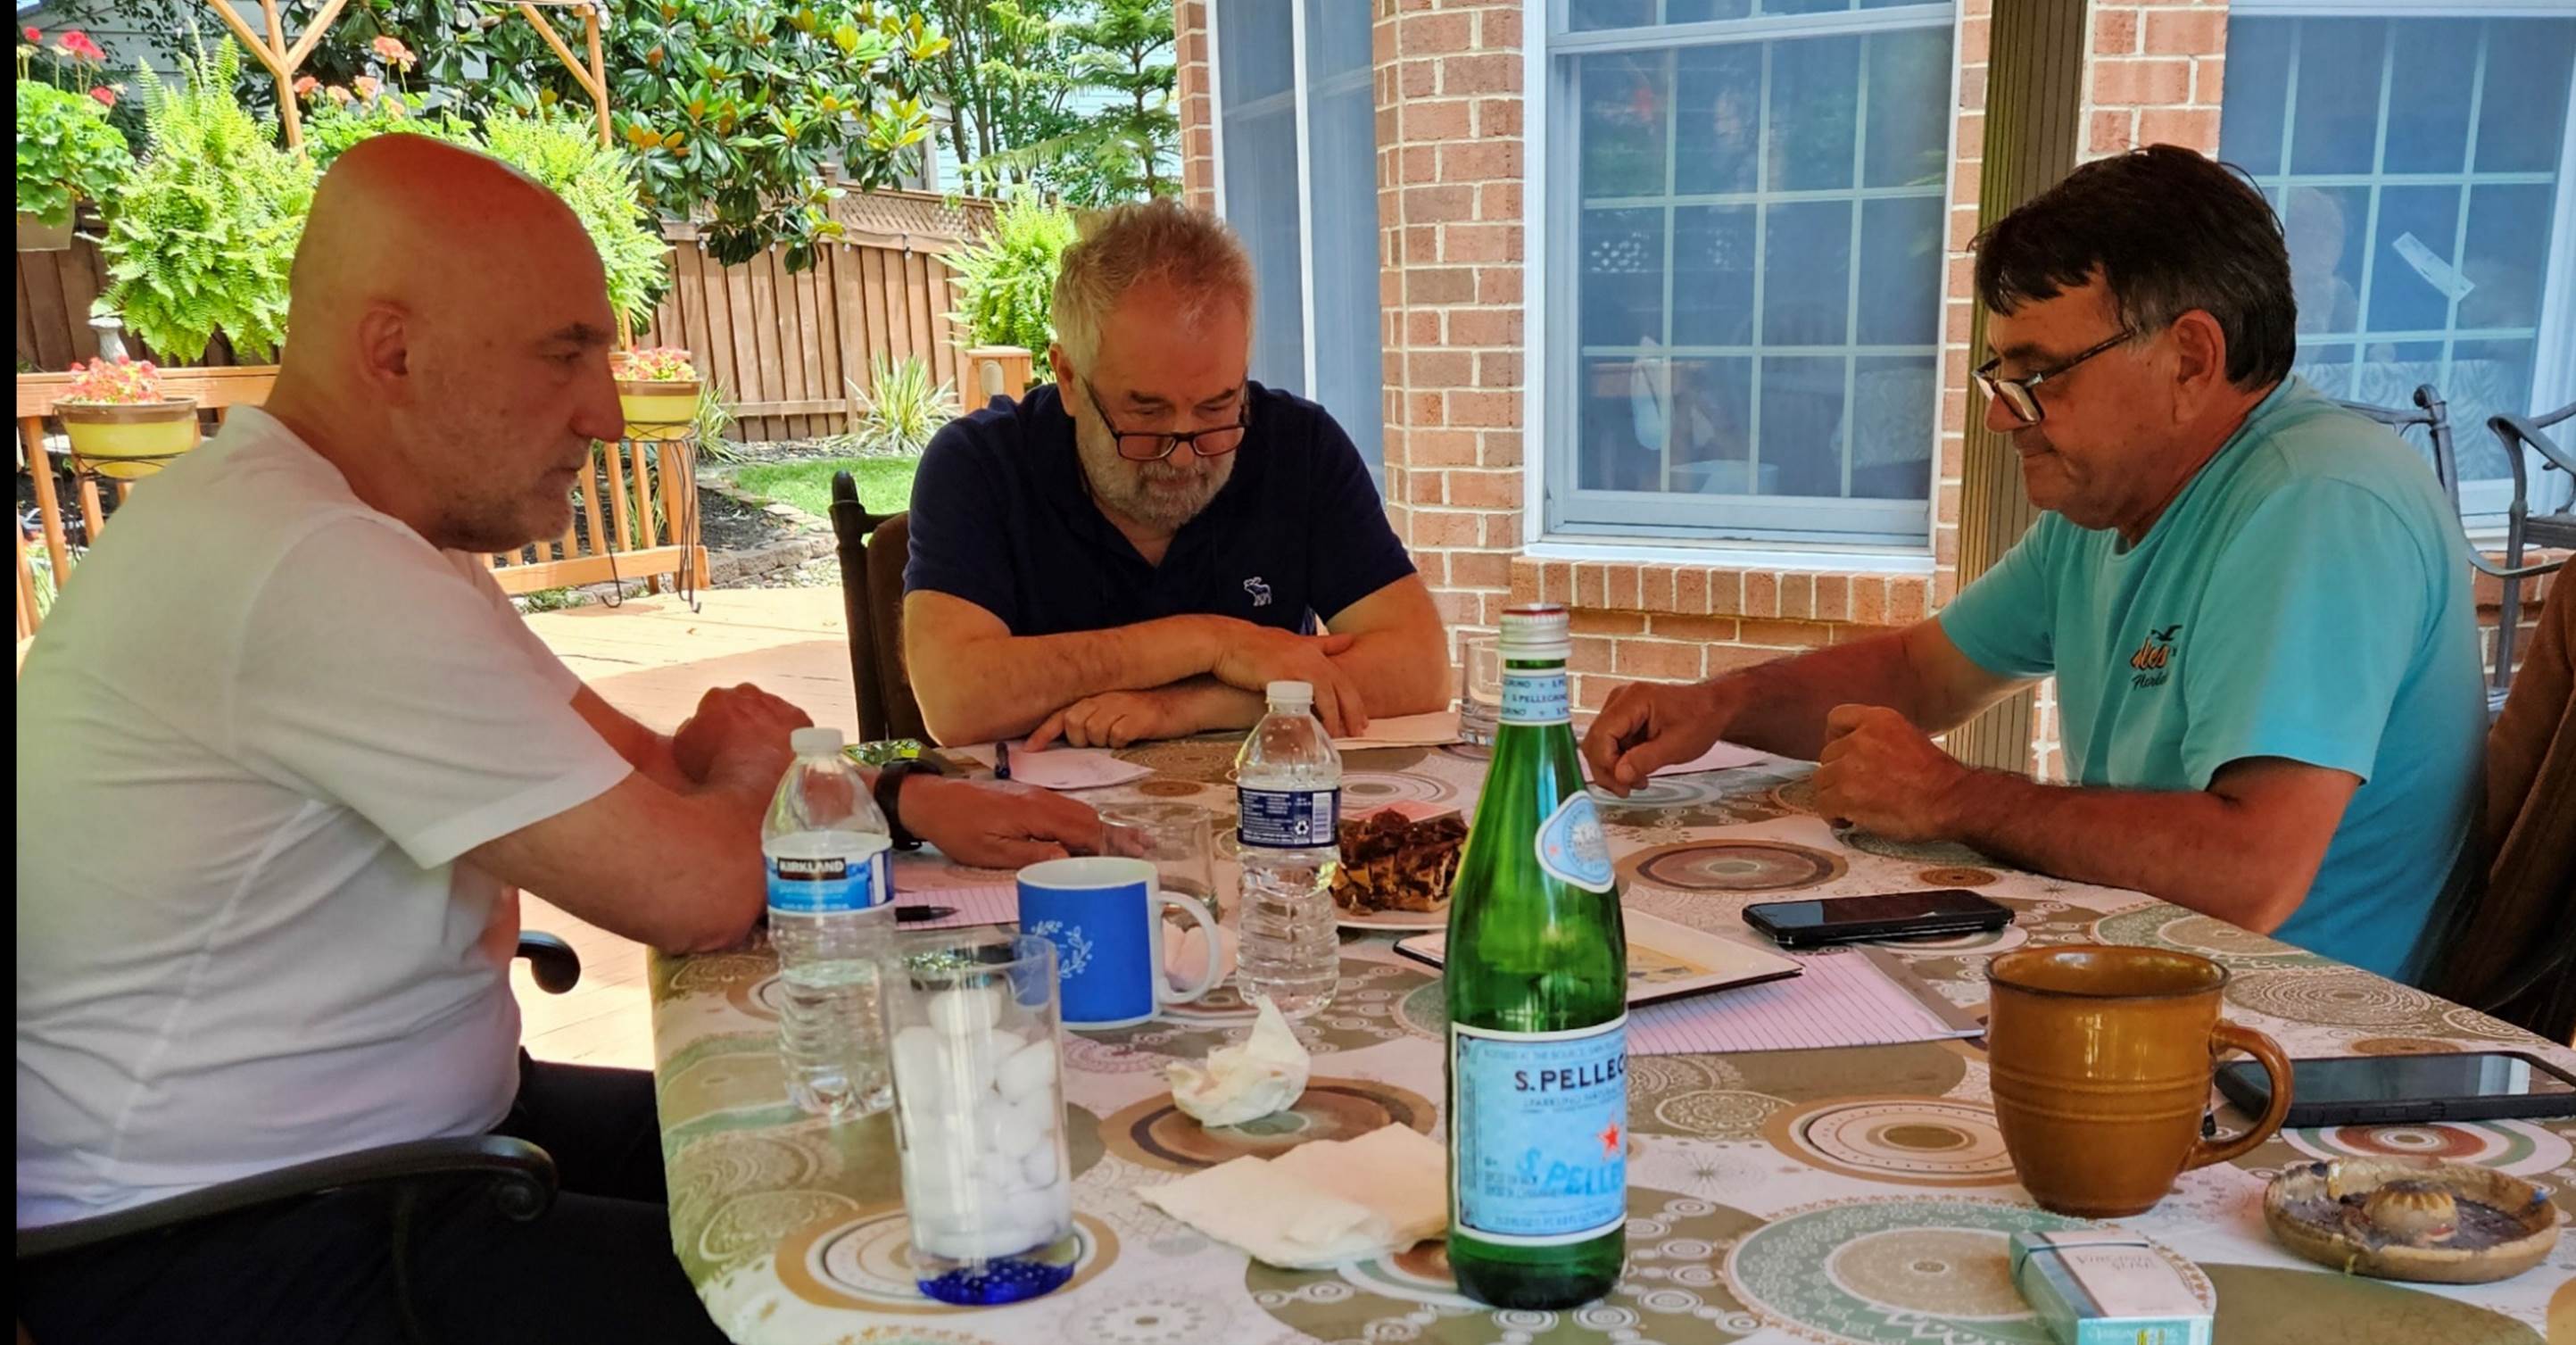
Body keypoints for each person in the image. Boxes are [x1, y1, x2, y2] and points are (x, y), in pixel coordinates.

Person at [16, 135, 1119, 1345]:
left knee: (886, 1155)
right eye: (563, 352)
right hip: (217, 1249)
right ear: (392, 349)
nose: (605, 406)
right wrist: (753, 768)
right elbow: (694, 884)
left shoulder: (358, 533)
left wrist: (890, 798)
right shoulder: (306, 563)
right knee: (902, 1295)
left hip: (394, 1148)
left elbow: (645, 768)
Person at [1582, 145, 2484, 984]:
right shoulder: (2115, 497)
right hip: (2155, 975)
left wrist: (1951, 795)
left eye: (2040, 373)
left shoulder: (2316, 499)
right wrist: (1723, 704)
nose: (2001, 417)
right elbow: (1921, 673)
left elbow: (2247, 872)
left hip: (2284, 1042)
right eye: (1999, 376)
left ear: (2190, 358)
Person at [902, 199, 1448, 749]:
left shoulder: (1298, 444)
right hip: (1049, 826)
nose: (1184, 456)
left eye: (1217, 408)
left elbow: (1420, 670)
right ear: (1069, 378)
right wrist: (1214, 643)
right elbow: (955, 700)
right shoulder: (979, 464)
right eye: (1146, 413)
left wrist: (1192, 707)